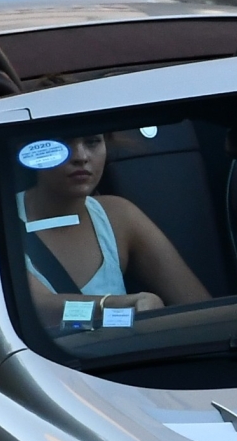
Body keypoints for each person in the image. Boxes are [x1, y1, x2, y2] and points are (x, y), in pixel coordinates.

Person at [17, 132, 209, 328]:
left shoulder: (118, 216)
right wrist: (119, 306)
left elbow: (202, 311)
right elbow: (36, 309)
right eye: (62, 143)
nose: (81, 156)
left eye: (92, 142)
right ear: (30, 151)